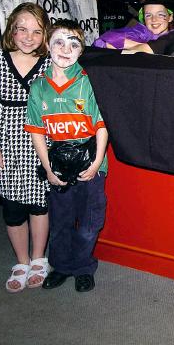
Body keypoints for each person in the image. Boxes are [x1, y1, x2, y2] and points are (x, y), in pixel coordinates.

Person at [25, 19, 109, 293]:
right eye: (59, 41)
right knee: (60, 220)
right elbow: (37, 131)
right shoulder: (38, 88)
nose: (65, 48)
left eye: (74, 43)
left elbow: (101, 125)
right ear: (47, 45)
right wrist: (48, 168)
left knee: (88, 221)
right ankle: (60, 266)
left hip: (90, 162)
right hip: (58, 162)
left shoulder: (89, 82)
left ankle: (83, 266)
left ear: (81, 50)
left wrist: (96, 163)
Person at [0, 2, 51, 292]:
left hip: (40, 141)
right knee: (12, 206)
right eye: (22, 29)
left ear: (45, 34)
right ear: (12, 30)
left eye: (36, 30)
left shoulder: (50, 61)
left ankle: (38, 259)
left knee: (39, 203)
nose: (29, 36)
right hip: (5, 141)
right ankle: (20, 261)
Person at [93, 0, 174, 51]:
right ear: (144, 19)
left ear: (170, 17)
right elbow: (104, 41)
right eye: (148, 15)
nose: (153, 19)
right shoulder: (141, 33)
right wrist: (146, 47)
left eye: (160, 14)